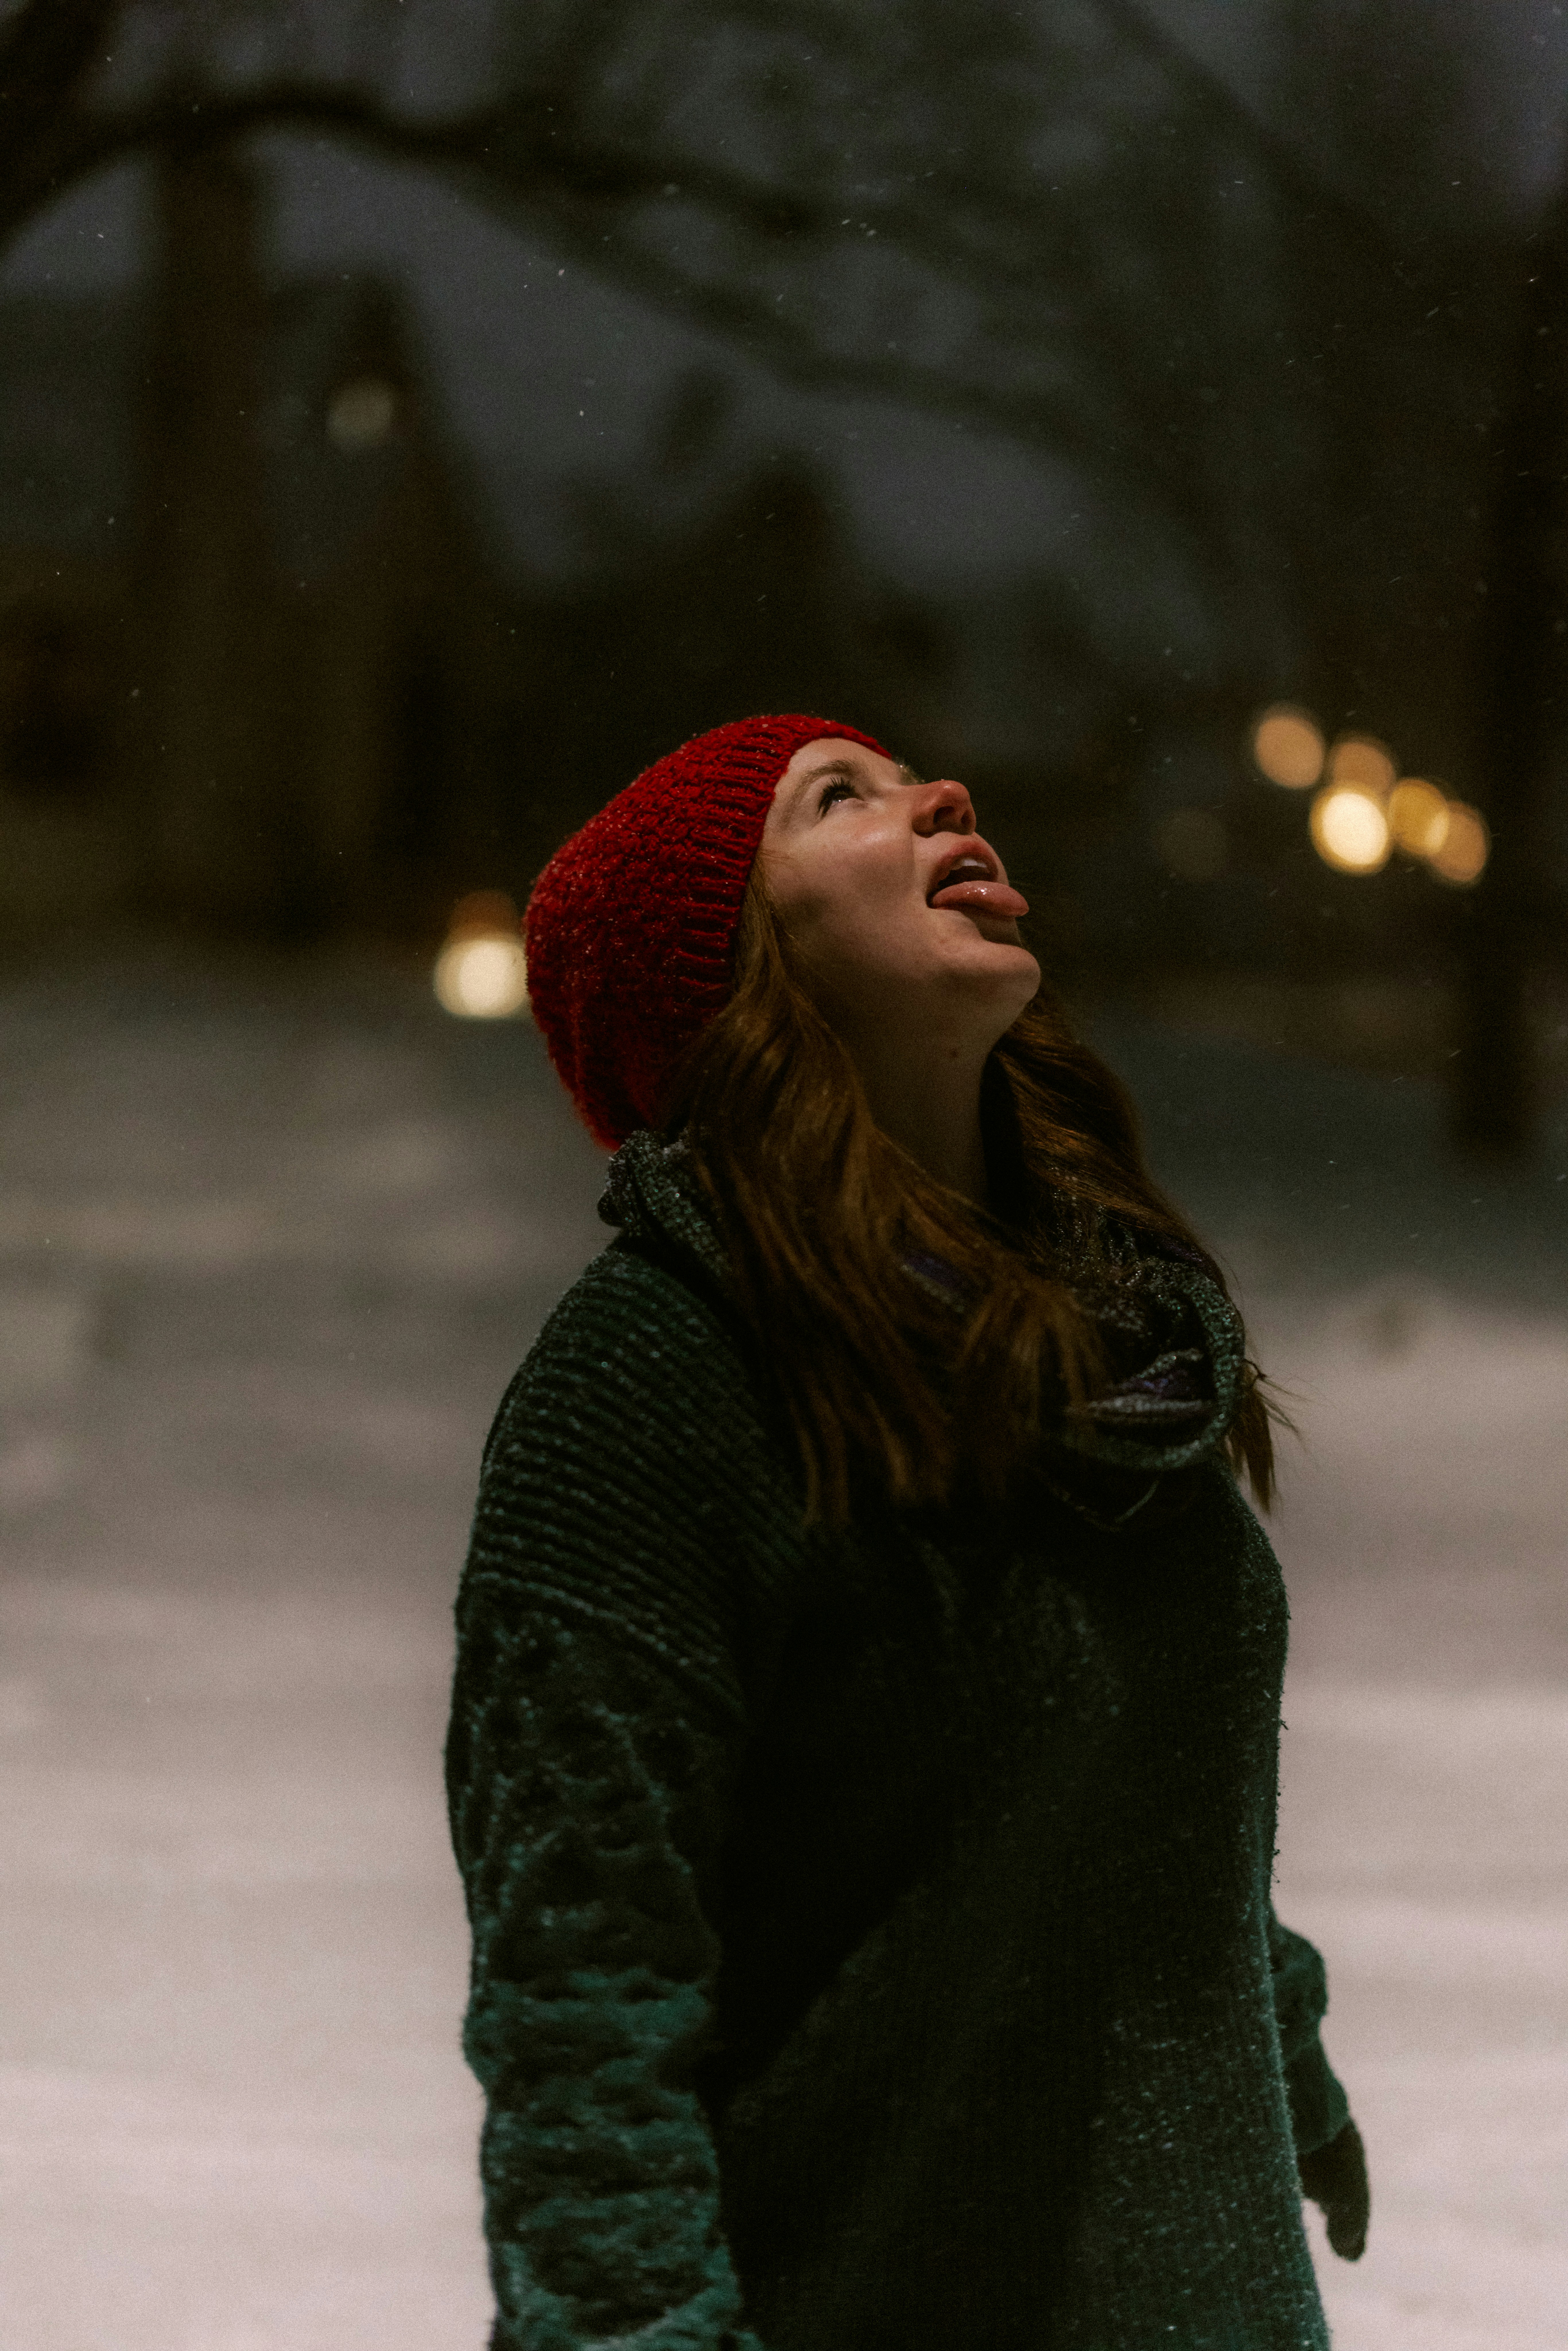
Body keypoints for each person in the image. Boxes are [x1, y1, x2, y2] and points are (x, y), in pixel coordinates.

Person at [444, 713, 1369, 2351]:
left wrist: (1266, 2033)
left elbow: (1128, 1779)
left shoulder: (1098, 1349)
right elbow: (583, 2003)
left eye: (907, 771)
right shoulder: (659, 1382)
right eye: (839, 800)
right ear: (729, 971)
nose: (944, 791)